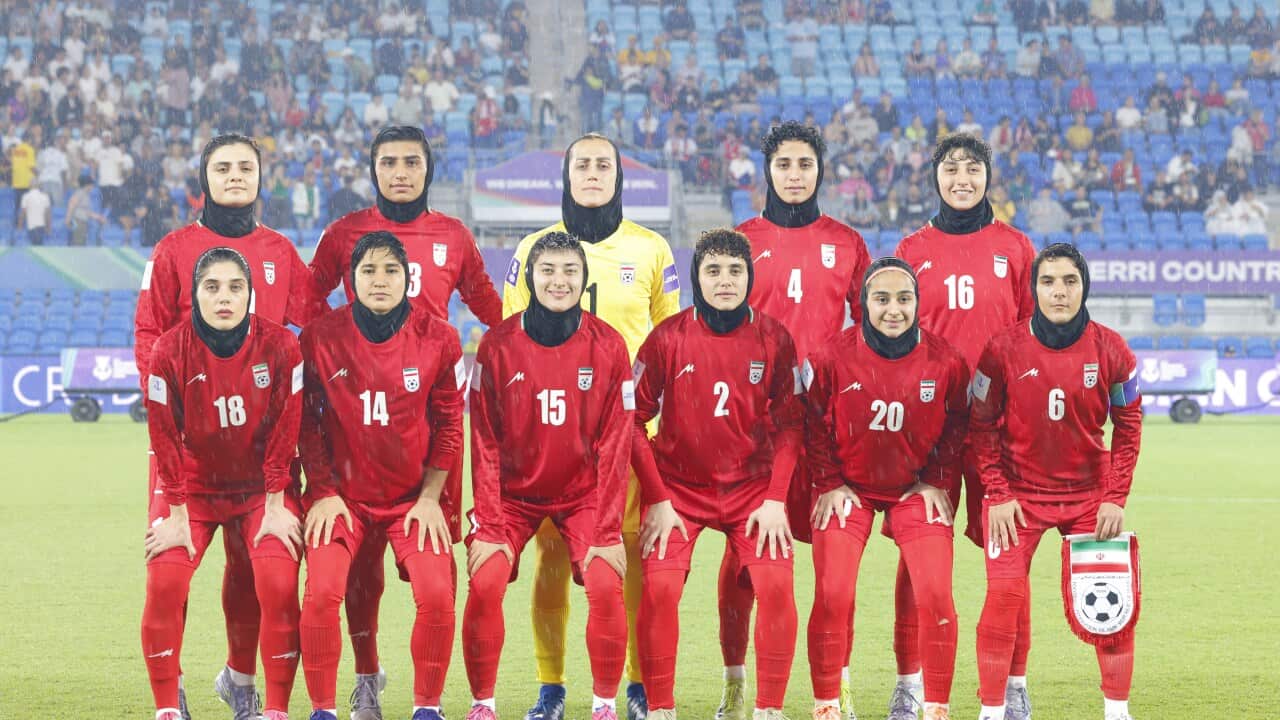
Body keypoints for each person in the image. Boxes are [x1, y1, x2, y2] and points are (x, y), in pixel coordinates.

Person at [306, 123, 505, 717]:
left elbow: (494, 314)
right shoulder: (345, 234)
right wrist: (342, 356)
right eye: (388, 161)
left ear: (427, 170)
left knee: (435, 588)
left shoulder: (453, 235)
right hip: (355, 427)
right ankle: (365, 682)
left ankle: (429, 703)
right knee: (353, 578)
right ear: (373, 170)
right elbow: (308, 305)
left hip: (423, 424)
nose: (399, 171)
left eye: (411, 162)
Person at [133, 133, 324, 719]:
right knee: (169, 573)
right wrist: (182, 404)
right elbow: (149, 338)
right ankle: (171, 697)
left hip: (260, 461)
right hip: (187, 454)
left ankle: (243, 684)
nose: (236, 176)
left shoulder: (281, 251)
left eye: (247, 167)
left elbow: (313, 332)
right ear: (204, 178)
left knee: (257, 573)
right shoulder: (172, 250)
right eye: (224, 167)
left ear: (261, 178)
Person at [501, 133, 681, 720]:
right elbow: (510, 347)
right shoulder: (531, 249)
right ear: (567, 174)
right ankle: (551, 687)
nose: (594, 173)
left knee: (624, 563)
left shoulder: (652, 249)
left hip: (628, 443)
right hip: (553, 441)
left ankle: (632, 684)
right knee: (552, 564)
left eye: (605, 164)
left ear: (620, 175)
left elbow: (670, 345)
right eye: (583, 164)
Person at [726, 121, 871, 720]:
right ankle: (738, 684)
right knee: (746, 565)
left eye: (803, 164)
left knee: (835, 571)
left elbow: (870, 333)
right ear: (767, 170)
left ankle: (832, 689)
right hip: (756, 429)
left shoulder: (847, 241)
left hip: (830, 430)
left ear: (819, 170)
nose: (793, 174)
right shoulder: (741, 239)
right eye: (783, 163)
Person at [892, 133, 1038, 720]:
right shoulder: (911, 246)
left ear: (987, 177)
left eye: (972, 169)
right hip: (929, 426)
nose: (961, 178)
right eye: (950, 169)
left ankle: (1015, 684)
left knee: (1010, 557)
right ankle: (909, 683)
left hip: (1000, 426)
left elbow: (1033, 339)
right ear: (936, 178)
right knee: (917, 557)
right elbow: (894, 334)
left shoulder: (1016, 246)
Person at [632, 229, 802, 720]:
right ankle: (661, 708)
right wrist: (659, 498)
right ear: (695, 277)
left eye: (735, 270)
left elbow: (793, 423)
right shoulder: (667, 338)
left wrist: (775, 499)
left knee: (774, 586)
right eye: (713, 270)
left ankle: (764, 706)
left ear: (750, 276)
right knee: (660, 589)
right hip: (679, 491)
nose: (725, 280)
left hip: (753, 491)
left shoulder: (774, 338)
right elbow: (631, 420)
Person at [465, 232, 633, 720]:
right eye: (548, 271)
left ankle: (603, 705)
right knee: (486, 580)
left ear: (584, 279)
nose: (559, 281)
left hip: (583, 496)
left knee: (604, 581)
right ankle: (482, 704)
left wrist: (605, 532)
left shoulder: (609, 345)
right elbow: (485, 444)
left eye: (569, 271)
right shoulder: (496, 345)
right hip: (514, 498)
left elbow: (616, 443)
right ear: (530, 277)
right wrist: (492, 528)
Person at [298, 231, 465, 720]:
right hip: (343, 499)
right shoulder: (319, 338)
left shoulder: (439, 338)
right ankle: (325, 710)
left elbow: (451, 424)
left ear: (408, 278)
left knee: (437, 593)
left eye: (391, 270)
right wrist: (324, 492)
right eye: (368, 270)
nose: (379, 280)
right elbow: (306, 423)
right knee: (324, 591)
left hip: (413, 500)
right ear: (351, 279)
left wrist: (432, 497)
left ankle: (426, 709)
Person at [971, 243, 1143, 720]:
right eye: (1048, 282)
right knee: (1004, 594)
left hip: (1090, 497)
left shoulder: (1111, 348)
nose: (1059, 292)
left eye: (1069, 281)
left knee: (1110, 599)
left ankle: (1116, 711)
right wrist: (998, 493)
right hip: (1018, 499)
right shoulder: (1002, 349)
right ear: (1034, 289)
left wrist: (1115, 496)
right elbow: (980, 426)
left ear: (1084, 286)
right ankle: (991, 711)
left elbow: (1129, 425)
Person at [141, 247, 304, 720]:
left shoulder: (281, 347)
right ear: (195, 294)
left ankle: (270, 709)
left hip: (259, 490)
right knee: (166, 579)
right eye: (211, 287)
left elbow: (285, 429)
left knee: (276, 580)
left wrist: (276, 504)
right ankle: (168, 708)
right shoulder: (168, 350)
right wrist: (173, 514)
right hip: (190, 488)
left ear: (251, 294)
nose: (224, 297)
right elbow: (164, 436)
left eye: (236, 287)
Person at [805, 258, 969, 720]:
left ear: (918, 303)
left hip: (912, 490)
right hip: (848, 488)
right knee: (834, 592)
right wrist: (830, 482)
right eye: (881, 299)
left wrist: (936, 479)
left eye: (904, 299)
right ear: (863, 304)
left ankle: (931, 703)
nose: (893, 310)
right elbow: (811, 421)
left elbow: (958, 422)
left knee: (935, 592)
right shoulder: (830, 357)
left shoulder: (946, 361)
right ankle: (829, 703)